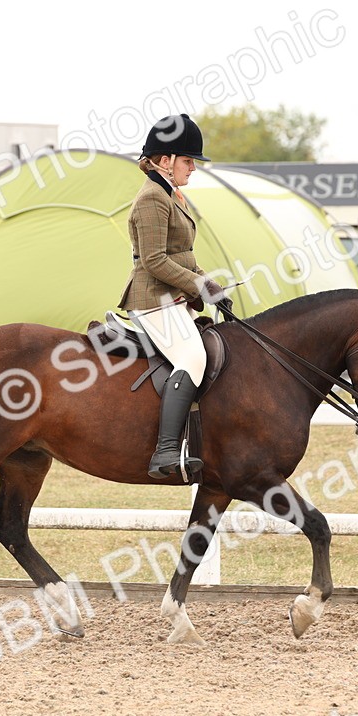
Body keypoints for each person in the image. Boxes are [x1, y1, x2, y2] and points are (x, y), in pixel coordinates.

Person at [119, 113, 232, 479]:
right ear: (164, 160)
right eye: (188, 160)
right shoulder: (152, 197)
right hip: (153, 300)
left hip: (173, 298)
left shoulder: (171, 194)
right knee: (193, 356)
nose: (193, 168)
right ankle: (165, 452)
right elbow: (154, 261)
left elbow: (181, 255)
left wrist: (209, 284)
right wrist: (199, 287)